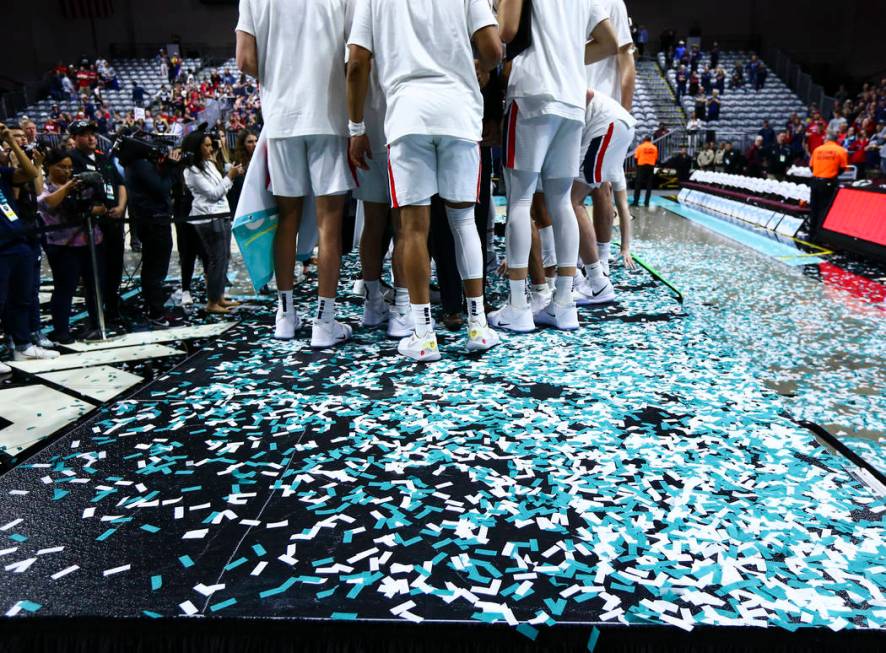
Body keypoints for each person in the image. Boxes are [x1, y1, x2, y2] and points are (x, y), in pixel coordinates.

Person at [348, 0, 503, 361]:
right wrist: (479, 67)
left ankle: (423, 334)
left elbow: (357, 61)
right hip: (459, 112)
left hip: (407, 115)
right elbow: (493, 49)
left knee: (413, 229)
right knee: (464, 223)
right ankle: (478, 326)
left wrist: (356, 127)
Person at [489, 0, 618, 334]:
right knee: (562, 202)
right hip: (572, 98)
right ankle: (564, 305)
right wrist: (568, 57)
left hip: (531, 92)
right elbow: (609, 43)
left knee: (519, 200)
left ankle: (518, 306)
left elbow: (506, 30)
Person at [237, 0, 356, 348]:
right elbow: (355, 54)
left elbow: (244, 60)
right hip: (329, 116)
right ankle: (324, 322)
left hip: (282, 118)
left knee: (286, 220)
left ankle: (285, 316)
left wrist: (281, 77)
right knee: (328, 225)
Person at [0, 125, 58, 367]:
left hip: (19, 241)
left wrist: (12, 143)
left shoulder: (2, 173)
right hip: (2, 245)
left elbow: (31, 172)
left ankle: (23, 345)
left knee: (23, 297)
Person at [38, 147, 107, 346]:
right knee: (65, 288)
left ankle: (96, 325)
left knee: (94, 287)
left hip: (91, 241)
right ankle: (61, 331)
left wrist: (89, 208)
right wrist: (68, 188)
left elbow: (102, 206)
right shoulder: (43, 185)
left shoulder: (81, 182)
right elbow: (47, 204)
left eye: (69, 167)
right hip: (62, 245)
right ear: (49, 167)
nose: (67, 171)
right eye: (62, 167)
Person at [68, 119, 127, 328]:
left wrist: (120, 207)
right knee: (95, 274)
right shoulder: (71, 160)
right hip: (91, 227)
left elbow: (120, 184)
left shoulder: (104, 158)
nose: (92, 137)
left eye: (93, 133)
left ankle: (113, 309)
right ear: (74, 138)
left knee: (114, 269)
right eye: (85, 134)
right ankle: (95, 317)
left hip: (113, 223)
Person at [182, 129, 243, 315]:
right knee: (216, 260)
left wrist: (228, 177)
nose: (211, 148)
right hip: (207, 217)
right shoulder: (191, 171)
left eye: (211, 145)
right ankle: (212, 302)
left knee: (223, 258)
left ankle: (219, 297)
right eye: (207, 145)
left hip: (220, 214)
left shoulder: (208, 164)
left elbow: (219, 189)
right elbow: (214, 193)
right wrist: (230, 176)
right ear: (196, 147)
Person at [122, 145, 182, 327]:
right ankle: (155, 311)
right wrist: (171, 166)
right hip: (153, 222)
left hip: (156, 221)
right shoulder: (139, 164)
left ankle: (155, 309)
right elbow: (162, 187)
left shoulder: (138, 164)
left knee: (156, 268)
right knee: (155, 269)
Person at [809, 132, 848, 236]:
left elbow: (811, 166)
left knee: (814, 207)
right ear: (836, 140)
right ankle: (822, 234)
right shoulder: (840, 150)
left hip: (815, 181)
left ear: (826, 139)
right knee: (825, 208)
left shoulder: (817, 149)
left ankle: (812, 232)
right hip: (829, 182)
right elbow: (843, 168)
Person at [632, 135, 657, 207]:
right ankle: (646, 202)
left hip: (641, 166)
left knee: (638, 184)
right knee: (649, 185)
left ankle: (636, 202)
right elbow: (655, 158)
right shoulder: (654, 148)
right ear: (650, 140)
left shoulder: (640, 147)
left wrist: (637, 167)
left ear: (644, 140)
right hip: (650, 166)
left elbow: (636, 158)